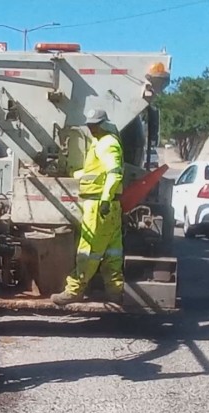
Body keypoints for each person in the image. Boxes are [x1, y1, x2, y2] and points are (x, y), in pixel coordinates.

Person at [51, 108, 124, 306]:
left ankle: (74, 291)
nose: (91, 128)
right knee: (112, 251)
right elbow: (96, 172)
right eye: (89, 125)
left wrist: (106, 199)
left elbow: (114, 173)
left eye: (94, 125)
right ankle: (115, 292)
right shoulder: (102, 142)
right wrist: (73, 175)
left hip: (99, 204)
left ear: (103, 124)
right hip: (107, 205)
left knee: (88, 251)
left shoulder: (107, 143)